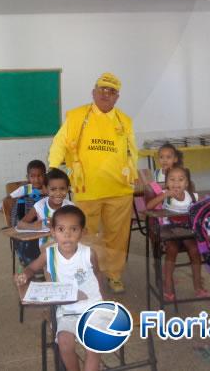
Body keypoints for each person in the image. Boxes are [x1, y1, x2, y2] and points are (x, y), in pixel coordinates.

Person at [48, 72, 137, 293]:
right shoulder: (78, 116)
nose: (106, 95)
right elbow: (59, 142)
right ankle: (86, 273)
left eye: (111, 91)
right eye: (102, 90)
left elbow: (132, 152)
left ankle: (114, 274)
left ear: (117, 97)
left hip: (119, 190)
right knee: (85, 234)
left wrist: (133, 176)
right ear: (93, 92)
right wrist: (53, 167)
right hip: (87, 189)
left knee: (117, 236)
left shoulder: (124, 121)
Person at [16, 205, 103, 371]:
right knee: (64, 342)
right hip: (66, 310)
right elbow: (32, 268)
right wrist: (24, 275)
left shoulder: (88, 254)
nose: (67, 234)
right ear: (53, 232)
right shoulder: (49, 254)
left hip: (92, 309)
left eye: (74, 229)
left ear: (82, 232)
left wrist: (102, 300)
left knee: (93, 346)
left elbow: (98, 274)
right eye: (61, 229)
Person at [145, 166, 208, 301]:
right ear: (167, 183)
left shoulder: (192, 196)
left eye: (180, 180)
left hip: (186, 232)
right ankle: (168, 284)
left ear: (186, 183)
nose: (176, 183)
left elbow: (205, 204)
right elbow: (149, 207)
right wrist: (164, 195)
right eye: (172, 180)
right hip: (170, 231)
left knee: (195, 250)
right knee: (172, 249)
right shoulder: (165, 195)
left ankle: (197, 285)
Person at [18, 168, 74, 248]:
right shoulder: (39, 206)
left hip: (68, 245)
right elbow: (20, 225)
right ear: (45, 189)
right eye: (53, 189)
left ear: (68, 189)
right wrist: (34, 226)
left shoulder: (71, 207)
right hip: (47, 247)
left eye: (62, 189)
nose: (58, 193)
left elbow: (82, 229)